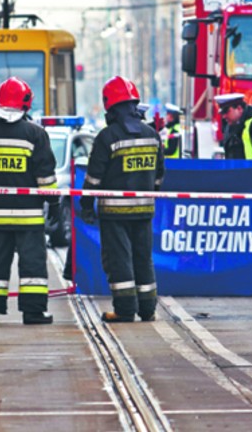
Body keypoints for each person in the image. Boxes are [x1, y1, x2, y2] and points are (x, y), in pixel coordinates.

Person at [0, 77, 59, 325]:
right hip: (28, 216)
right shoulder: (35, 134)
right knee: (32, 265)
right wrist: (54, 204)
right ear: (26, 103)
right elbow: (45, 177)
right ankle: (33, 312)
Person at [80, 76, 165, 323]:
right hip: (144, 211)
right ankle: (148, 308)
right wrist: (149, 194)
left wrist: (86, 205)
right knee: (143, 258)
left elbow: (94, 178)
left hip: (115, 214)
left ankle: (125, 309)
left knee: (119, 260)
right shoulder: (152, 135)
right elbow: (160, 175)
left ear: (110, 106)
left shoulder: (108, 137)